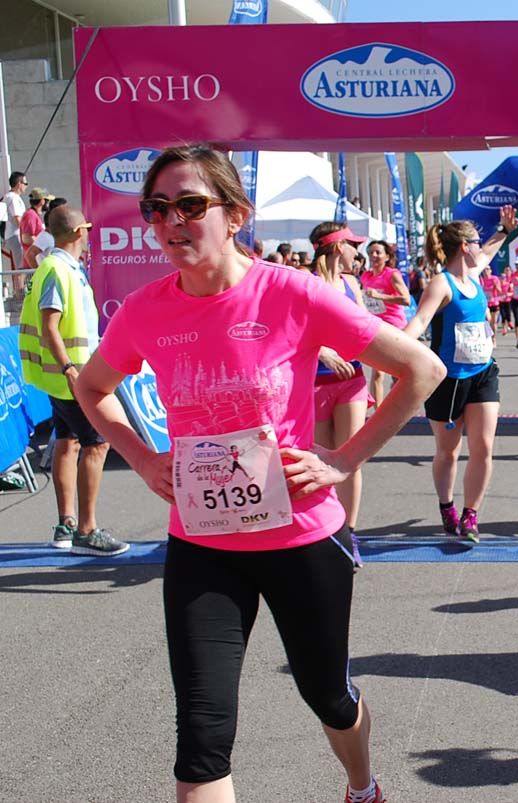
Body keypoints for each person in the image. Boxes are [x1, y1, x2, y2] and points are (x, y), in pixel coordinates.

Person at [74, 144, 444, 803]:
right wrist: (142, 456)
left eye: (191, 205)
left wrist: (342, 458)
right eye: (157, 209)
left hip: (301, 539)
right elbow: (94, 387)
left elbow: (422, 371)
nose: (171, 222)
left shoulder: (291, 292)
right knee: (201, 742)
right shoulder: (145, 310)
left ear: (235, 214)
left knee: (327, 694)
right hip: (203, 545)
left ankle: (362, 785)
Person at [18, 204, 128, 556]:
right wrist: (68, 368)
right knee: (96, 444)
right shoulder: (57, 268)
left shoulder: (60, 267)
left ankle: (67, 524)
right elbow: (50, 325)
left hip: (67, 376)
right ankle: (85, 529)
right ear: (81, 231)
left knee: (69, 441)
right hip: (74, 376)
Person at [404, 206, 517, 541]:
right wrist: (392, 348)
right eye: (475, 241)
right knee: (448, 451)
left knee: (483, 447)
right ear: (463, 247)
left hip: (483, 373)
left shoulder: (474, 274)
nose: (480, 245)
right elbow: (420, 322)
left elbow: (491, 249)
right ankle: (446, 505)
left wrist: (504, 230)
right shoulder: (442, 284)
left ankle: (471, 515)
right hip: (448, 380)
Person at [309, 223, 374, 542]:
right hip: (315, 384)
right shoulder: (306, 283)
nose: (357, 253)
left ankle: (349, 533)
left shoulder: (352, 284)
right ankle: (326, 530)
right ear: (337, 247)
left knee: (351, 457)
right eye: (353, 245)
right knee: (322, 460)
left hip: (352, 381)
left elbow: (366, 329)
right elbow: (292, 332)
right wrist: (323, 352)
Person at [360, 240, 412, 404]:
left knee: (397, 373)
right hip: (377, 327)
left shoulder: (392, 274)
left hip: (395, 326)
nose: (373, 256)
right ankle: (379, 413)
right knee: (377, 373)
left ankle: (397, 406)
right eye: (370, 253)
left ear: (387, 256)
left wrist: (379, 296)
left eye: (377, 253)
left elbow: (406, 299)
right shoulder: (365, 276)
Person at [3, 171, 27, 285]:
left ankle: (19, 290)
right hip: (15, 235)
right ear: (19, 184)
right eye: (25, 183)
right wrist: (27, 232)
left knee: (20, 265)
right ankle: (20, 292)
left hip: (11, 235)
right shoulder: (13, 198)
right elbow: (17, 219)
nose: (26, 186)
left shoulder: (8, 197)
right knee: (20, 266)